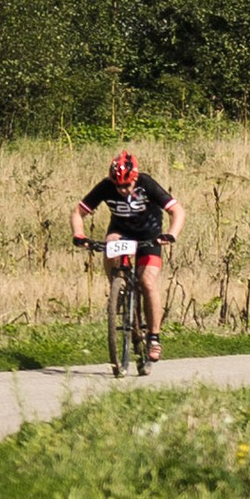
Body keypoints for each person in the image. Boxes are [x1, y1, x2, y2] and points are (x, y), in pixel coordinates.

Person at [75, 146, 182, 363]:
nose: (122, 190)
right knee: (109, 243)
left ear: (134, 179)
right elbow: (78, 212)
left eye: (126, 185)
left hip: (149, 236)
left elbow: (176, 210)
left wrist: (171, 234)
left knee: (147, 281)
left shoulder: (146, 183)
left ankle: (153, 337)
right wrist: (79, 233)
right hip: (121, 232)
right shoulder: (106, 187)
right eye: (118, 186)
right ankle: (118, 286)